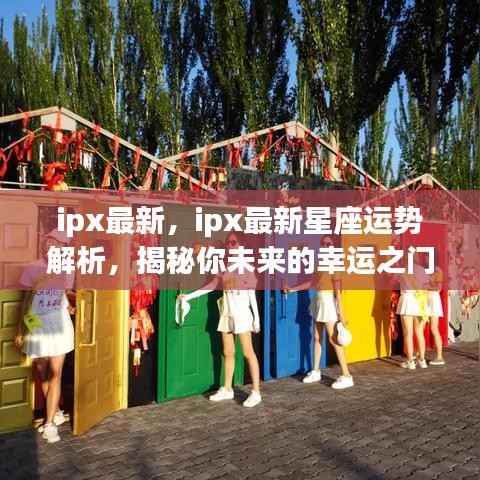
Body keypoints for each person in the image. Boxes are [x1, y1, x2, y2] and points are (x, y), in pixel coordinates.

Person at [177, 233, 262, 407]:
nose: (230, 245)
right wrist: (189, 296)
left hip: (241, 313)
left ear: (241, 245)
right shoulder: (224, 265)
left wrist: (256, 319)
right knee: (228, 352)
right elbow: (213, 285)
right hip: (227, 312)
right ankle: (227, 388)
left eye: (234, 242)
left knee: (248, 352)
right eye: (228, 243)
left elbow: (251, 294)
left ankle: (256, 392)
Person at [14, 229, 75, 443]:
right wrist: (21, 330)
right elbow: (24, 303)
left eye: (57, 244)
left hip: (59, 324)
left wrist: (75, 304)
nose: (52, 246)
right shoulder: (32, 268)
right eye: (49, 242)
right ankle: (55, 411)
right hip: (38, 325)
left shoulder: (68, 268)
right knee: (43, 374)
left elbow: (66, 294)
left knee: (55, 374)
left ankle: (49, 424)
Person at [284, 236, 354, 390]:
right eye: (323, 243)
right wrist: (293, 289)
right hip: (318, 300)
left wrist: (341, 314)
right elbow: (313, 283)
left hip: (328, 302)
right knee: (316, 337)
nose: (326, 246)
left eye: (329, 244)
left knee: (333, 339)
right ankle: (316, 371)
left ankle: (347, 375)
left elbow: (338, 292)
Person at [396, 254, 429, 370]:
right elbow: (426, 287)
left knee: (408, 333)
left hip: (407, 300)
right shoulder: (422, 270)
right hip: (420, 301)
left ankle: (410, 361)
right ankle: (422, 360)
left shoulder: (404, 269)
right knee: (419, 332)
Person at [426, 258, 446, 366]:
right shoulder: (425, 269)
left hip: (433, 299)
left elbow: (438, 288)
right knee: (420, 327)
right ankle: (419, 354)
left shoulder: (438, 270)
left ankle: (439, 357)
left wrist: (425, 286)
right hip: (425, 299)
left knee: (434, 328)